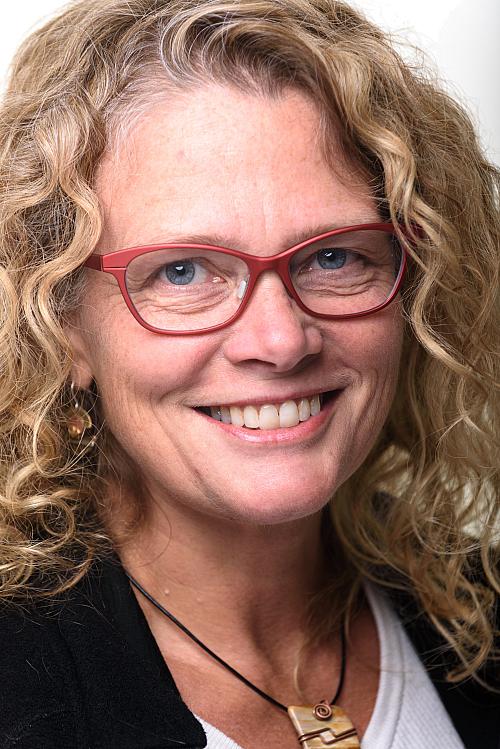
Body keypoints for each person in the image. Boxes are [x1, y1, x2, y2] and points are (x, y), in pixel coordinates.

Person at [0, 1, 498, 747]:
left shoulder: (482, 606)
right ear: (61, 323)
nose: (280, 340)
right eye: (183, 270)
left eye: (334, 257)